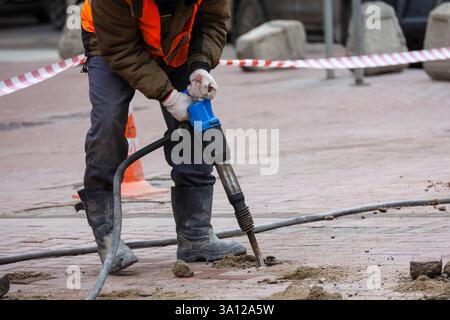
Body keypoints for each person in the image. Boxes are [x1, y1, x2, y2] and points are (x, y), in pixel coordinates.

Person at [75, 0, 246, 273]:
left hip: (175, 40)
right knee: (108, 122)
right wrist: (168, 96)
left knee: (193, 124)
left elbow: (212, 21)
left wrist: (200, 66)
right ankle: (108, 237)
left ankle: (196, 235)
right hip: (112, 40)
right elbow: (121, 50)